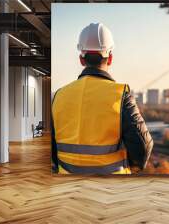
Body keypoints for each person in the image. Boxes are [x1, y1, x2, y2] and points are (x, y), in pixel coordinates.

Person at [51, 23, 153, 174]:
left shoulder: (59, 96)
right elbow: (142, 150)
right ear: (110, 58)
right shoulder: (120, 95)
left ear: (81, 59)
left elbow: (53, 150)